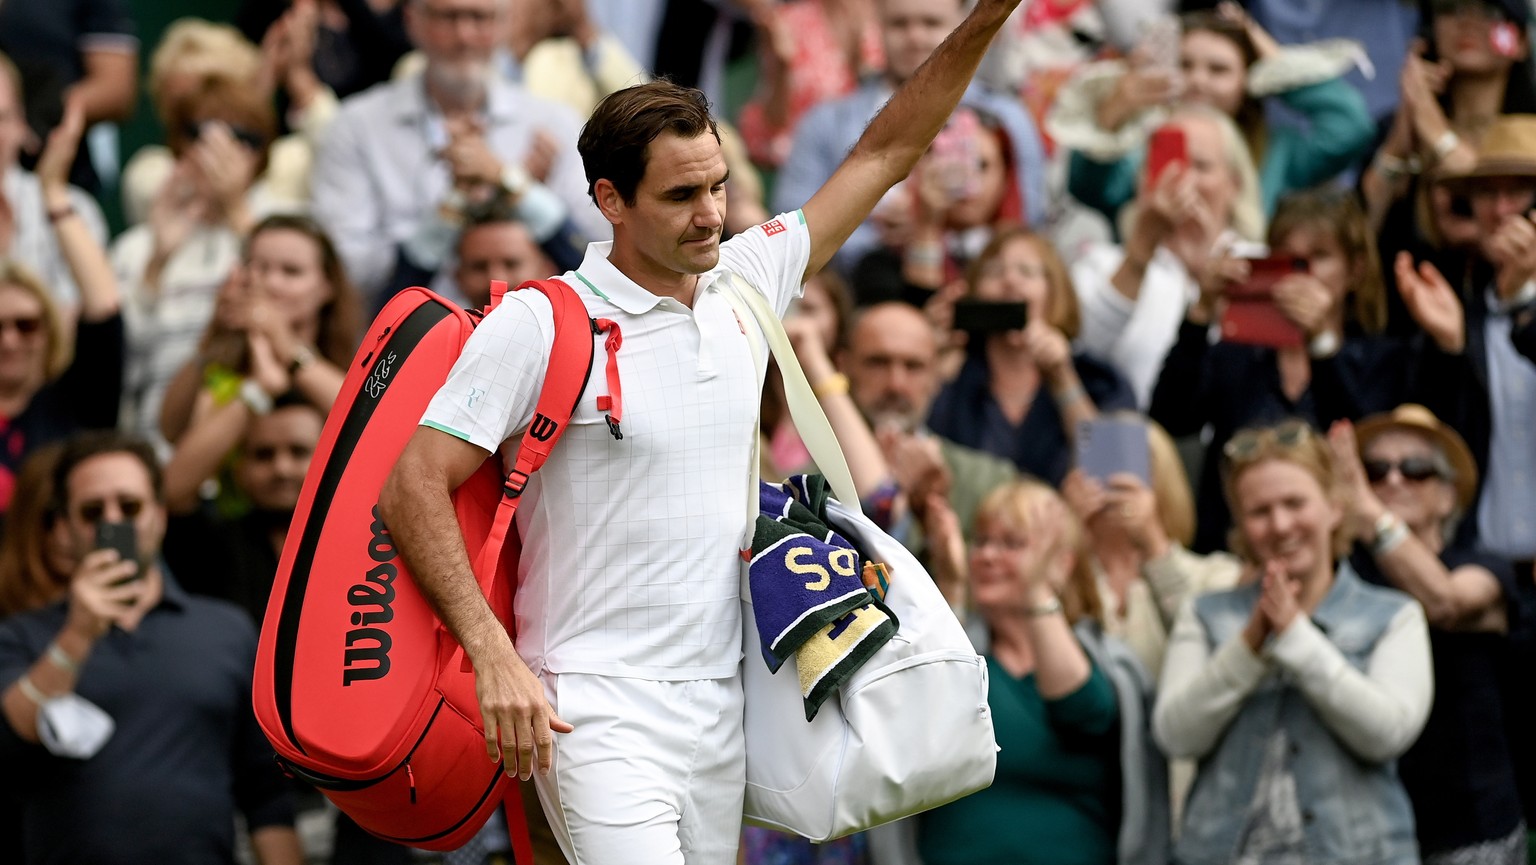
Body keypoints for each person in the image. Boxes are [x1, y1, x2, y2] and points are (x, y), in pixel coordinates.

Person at [377, 0, 1040, 860]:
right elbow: (411, 484)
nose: (712, 215)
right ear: (609, 199)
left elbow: (885, 151)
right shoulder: (540, 323)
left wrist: (986, 19)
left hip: (726, 702)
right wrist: (492, 653)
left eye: (719, 185)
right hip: (593, 707)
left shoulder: (747, 275)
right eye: (682, 195)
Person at [0, 431, 302, 865]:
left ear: (160, 514)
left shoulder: (225, 631)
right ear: (64, 528)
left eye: (130, 506)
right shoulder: (23, 637)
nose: (114, 522)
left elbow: (266, 793)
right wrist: (78, 633)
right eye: (92, 511)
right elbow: (12, 739)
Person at [1153, 419, 1432, 865]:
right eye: (1260, 512)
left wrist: (1295, 637)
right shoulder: (1205, 613)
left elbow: (1387, 733)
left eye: (1295, 503)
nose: (1281, 525)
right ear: (1242, 525)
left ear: (1334, 508)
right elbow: (1176, 734)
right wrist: (1249, 645)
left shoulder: (1394, 615)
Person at [911, 478, 1167, 865]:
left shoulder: (1105, 661)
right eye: (981, 541)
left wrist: (1037, 593)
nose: (987, 556)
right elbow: (919, 722)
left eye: (1011, 544)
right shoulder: (964, 655)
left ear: (1062, 563)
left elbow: (1085, 714)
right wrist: (949, 585)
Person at [1150, 187, 1408, 553]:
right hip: (1234, 553)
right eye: (1288, 259)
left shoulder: (1382, 358)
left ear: (1355, 270)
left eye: (1319, 257)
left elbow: (1362, 439)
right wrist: (1202, 310)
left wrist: (1320, 342)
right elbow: (1170, 418)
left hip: (1345, 555)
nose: (1301, 273)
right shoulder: (1237, 354)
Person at [1327, 405, 1526, 865]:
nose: (1393, 481)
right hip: (1372, 830)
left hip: (1471, 833)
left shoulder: (1481, 567)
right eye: (1375, 470)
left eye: (1415, 469)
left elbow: (1445, 602)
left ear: (1447, 496)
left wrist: (1368, 509)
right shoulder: (1346, 579)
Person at [311, 0, 607, 305]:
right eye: (447, 17)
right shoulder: (356, 126)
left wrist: (511, 187)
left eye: (480, 18)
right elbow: (347, 272)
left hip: (536, 335)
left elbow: (598, 254)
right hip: (408, 339)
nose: (464, 35)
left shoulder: (554, 122)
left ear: (506, 23)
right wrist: (464, 204)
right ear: (412, 21)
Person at [774, 0, 1048, 277]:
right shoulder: (824, 123)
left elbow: (1029, 223)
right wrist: (882, 240)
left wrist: (939, 229)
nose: (914, 37)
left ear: (962, 22)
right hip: (862, 293)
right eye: (899, 24)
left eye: (931, 23)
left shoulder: (1008, 120)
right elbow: (789, 234)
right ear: (877, 26)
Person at [1051, 3, 1373, 224]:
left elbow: (1351, 126)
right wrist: (1113, 111)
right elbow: (1087, 189)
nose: (1198, 81)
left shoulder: (1278, 151)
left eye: (1218, 69)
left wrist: (1274, 61)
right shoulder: (1142, 144)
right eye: (1184, 65)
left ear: (1247, 80)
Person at [1070, 104, 1266, 407]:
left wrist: (1205, 259)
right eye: (1170, 163)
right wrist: (1142, 249)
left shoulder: (1261, 266)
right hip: (1123, 441)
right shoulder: (1103, 263)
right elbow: (1081, 352)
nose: (1185, 180)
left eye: (1201, 166)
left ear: (1234, 184)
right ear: (1143, 181)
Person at [926, 226, 1135, 486]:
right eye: (994, 271)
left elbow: (1121, 478)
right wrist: (931, 358)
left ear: (1054, 292)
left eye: (1026, 271)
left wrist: (1063, 380)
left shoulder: (1102, 380)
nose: (1010, 281)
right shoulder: (956, 376)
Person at [0, 103, 123, 515]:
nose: (9, 339)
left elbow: (104, 308)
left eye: (27, 325)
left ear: (51, 331)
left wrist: (52, 193)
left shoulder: (75, 404)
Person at [1060, 413, 1242, 679]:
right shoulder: (1064, 572)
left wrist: (1154, 545)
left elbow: (1209, 648)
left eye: (1130, 467)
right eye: (1100, 465)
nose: (1114, 482)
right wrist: (1063, 538)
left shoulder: (1215, 574)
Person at [0, 53, 110, 312]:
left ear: (22, 126)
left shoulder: (75, 209)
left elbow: (98, 318)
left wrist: (54, 195)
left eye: (1, 118)